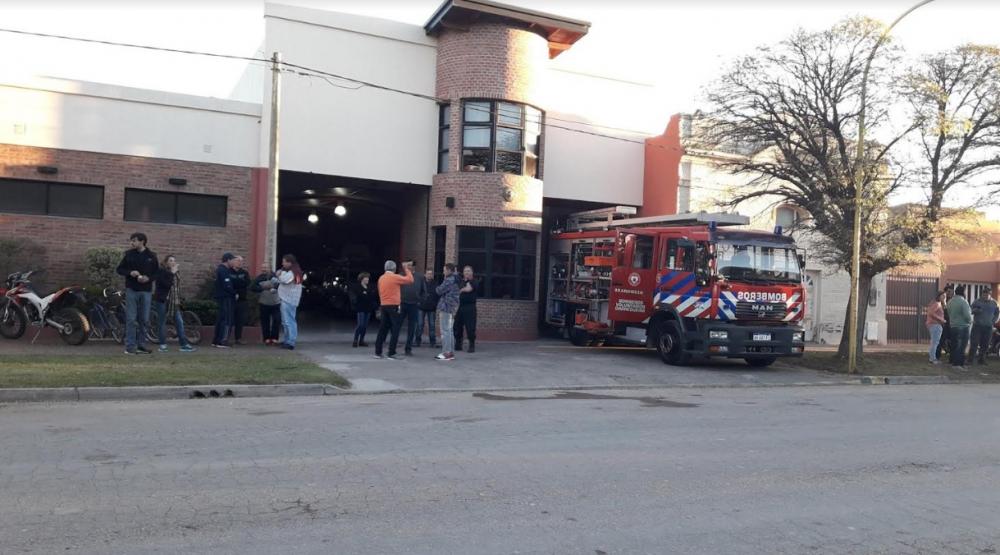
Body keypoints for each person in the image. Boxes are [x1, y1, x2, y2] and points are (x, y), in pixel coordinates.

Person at [116, 232, 159, 355]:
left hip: (146, 291)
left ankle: (142, 345)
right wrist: (130, 272)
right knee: (131, 319)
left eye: (134, 240)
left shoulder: (151, 256)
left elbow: (157, 273)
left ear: (142, 241)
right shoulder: (129, 255)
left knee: (144, 319)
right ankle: (130, 346)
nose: (132, 243)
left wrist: (148, 279)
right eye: (131, 241)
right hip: (132, 290)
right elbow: (119, 269)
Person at [153, 254, 196, 353]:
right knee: (162, 322)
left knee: (179, 322)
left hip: (174, 301)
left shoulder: (176, 273)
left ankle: (184, 344)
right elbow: (166, 284)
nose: (173, 262)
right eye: (171, 260)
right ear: (166, 262)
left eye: (174, 261)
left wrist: (179, 300)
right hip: (162, 300)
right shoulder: (161, 271)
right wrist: (171, 273)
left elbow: (177, 287)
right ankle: (163, 345)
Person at [373, 260, 414, 360]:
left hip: (384, 305)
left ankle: (378, 352)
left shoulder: (381, 278)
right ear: (394, 268)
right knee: (395, 329)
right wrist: (406, 269)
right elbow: (410, 280)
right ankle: (391, 352)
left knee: (382, 329)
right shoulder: (395, 277)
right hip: (394, 305)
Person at [276, 254, 304, 350]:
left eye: (284, 261)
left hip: (289, 299)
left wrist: (279, 274)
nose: (282, 263)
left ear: (289, 262)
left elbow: (285, 280)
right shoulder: (291, 271)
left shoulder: (293, 272)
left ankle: (291, 341)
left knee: (289, 321)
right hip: (285, 298)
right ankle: (287, 339)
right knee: (285, 321)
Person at [399, 261, 427, 356]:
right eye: (407, 265)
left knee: (412, 328)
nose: (408, 267)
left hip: (414, 305)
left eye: (410, 265)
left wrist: (420, 301)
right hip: (402, 304)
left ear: (414, 267)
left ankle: (408, 348)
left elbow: (424, 291)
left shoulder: (419, 277)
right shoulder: (401, 275)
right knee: (396, 325)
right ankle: (393, 346)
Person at [435, 263, 461, 361]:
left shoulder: (449, 280)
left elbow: (439, 290)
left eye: (445, 270)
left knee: (445, 330)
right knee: (449, 331)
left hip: (446, 307)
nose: (443, 272)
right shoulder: (456, 279)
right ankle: (450, 352)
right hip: (452, 308)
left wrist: (438, 287)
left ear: (449, 270)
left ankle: (446, 353)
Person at [251, 263, 281, 345]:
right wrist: (262, 288)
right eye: (263, 268)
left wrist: (275, 288)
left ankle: (274, 338)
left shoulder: (275, 276)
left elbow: (281, 285)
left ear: (270, 268)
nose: (264, 269)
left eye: (266, 267)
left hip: (276, 302)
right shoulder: (259, 278)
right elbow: (252, 288)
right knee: (265, 321)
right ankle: (266, 338)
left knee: (277, 320)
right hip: (264, 302)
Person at [211, 253, 237, 348]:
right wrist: (234, 293)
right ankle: (222, 340)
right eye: (233, 260)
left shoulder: (221, 270)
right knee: (226, 319)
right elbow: (227, 285)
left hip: (221, 297)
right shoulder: (223, 270)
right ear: (228, 260)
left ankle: (216, 340)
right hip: (226, 297)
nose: (234, 262)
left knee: (221, 318)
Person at [969, 289, 999, 365]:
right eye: (984, 294)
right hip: (977, 326)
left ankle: (981, 360)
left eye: (987, 294)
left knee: (985, 344)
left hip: (988, 327)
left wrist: (993, 321)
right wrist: (976, 310)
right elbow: (970, 311)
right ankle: (970, 360)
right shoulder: (977, 301)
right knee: (974, 343)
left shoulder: (994, 303)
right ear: (982, 294)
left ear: (990, 294)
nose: (985, 296)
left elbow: (997, 313)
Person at [946, 285, 973, 369]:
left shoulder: (950, 301)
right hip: (963, 327)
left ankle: (953, 362)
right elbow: (967, 316)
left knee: (954, 346)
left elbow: (948, 312)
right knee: (961, 347)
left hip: (953, 326)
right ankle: (958, 365)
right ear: (963, 292)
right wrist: (971, 321)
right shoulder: (963, 302)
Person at [350, 272, 378, 348]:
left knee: (365, 326)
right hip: (360, 308)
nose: (367, 280)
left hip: (368, 308)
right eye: (366, 278)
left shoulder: (370, 287)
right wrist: (355, 301)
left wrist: (375, 306)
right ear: (362, 279)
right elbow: (354, 296)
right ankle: (355, 340)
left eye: (368, 278)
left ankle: (361, 340)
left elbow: (372, 297)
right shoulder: (357, 287)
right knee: (360, 324)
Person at [454, 265, 478, 353]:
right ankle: (458, 343)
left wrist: (462, 289)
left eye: (468, 271)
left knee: (470, 327)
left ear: (472, 272)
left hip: (470, 307)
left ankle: (471, 345)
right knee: (456, 326)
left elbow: (468, 289)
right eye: (465, 271)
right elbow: (457, 287)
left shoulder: (474, 281)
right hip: (461, 307)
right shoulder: (461, 281)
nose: (467, 272)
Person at [230, 255, 251, 345]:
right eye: (238, 261)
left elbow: (247, 283)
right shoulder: (229, 272)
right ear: (234, 262)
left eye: (241, 261)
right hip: (231, 299)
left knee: (240, 320)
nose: (240, 263)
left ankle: (238, 338)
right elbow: (230, 284)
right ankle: (226, 337)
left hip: (242, 299)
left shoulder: (244, 273)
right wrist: (238, 284)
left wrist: (237, 283)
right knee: (230, 319)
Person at [416, 269, 439, 349]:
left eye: (431, 274)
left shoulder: (435, 284)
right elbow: (417, 293)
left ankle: (432, 342)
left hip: (432, 308)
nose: (429, 275)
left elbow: (437, 295)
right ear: (425, 275)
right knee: (420, 325)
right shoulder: (421, 283)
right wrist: (419, 302)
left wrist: (435, 304)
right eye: (428, 274)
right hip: (421, 307)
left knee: (432, 326)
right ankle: (417, 341)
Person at [925, 291, 946, 364]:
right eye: (943, 296)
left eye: (944, 296)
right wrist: (941, 320)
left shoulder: (936, 303)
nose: (944, 297)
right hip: (935, 324)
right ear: (939, 296)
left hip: (934, 324)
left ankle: (932, 358)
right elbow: (931, 313)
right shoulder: (937, 304)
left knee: (934, 342)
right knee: (935, 342)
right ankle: (932, 358)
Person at [936, 285, 955, 361]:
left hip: (951, 323)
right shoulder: (941, 300)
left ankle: (951, 357)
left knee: (952, 341)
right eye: (949, 291)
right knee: (940, 340)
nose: (951, 293)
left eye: (952, 292)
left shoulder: (954, 300)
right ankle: (937, 356)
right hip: (942, 323)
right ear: (945, 292)